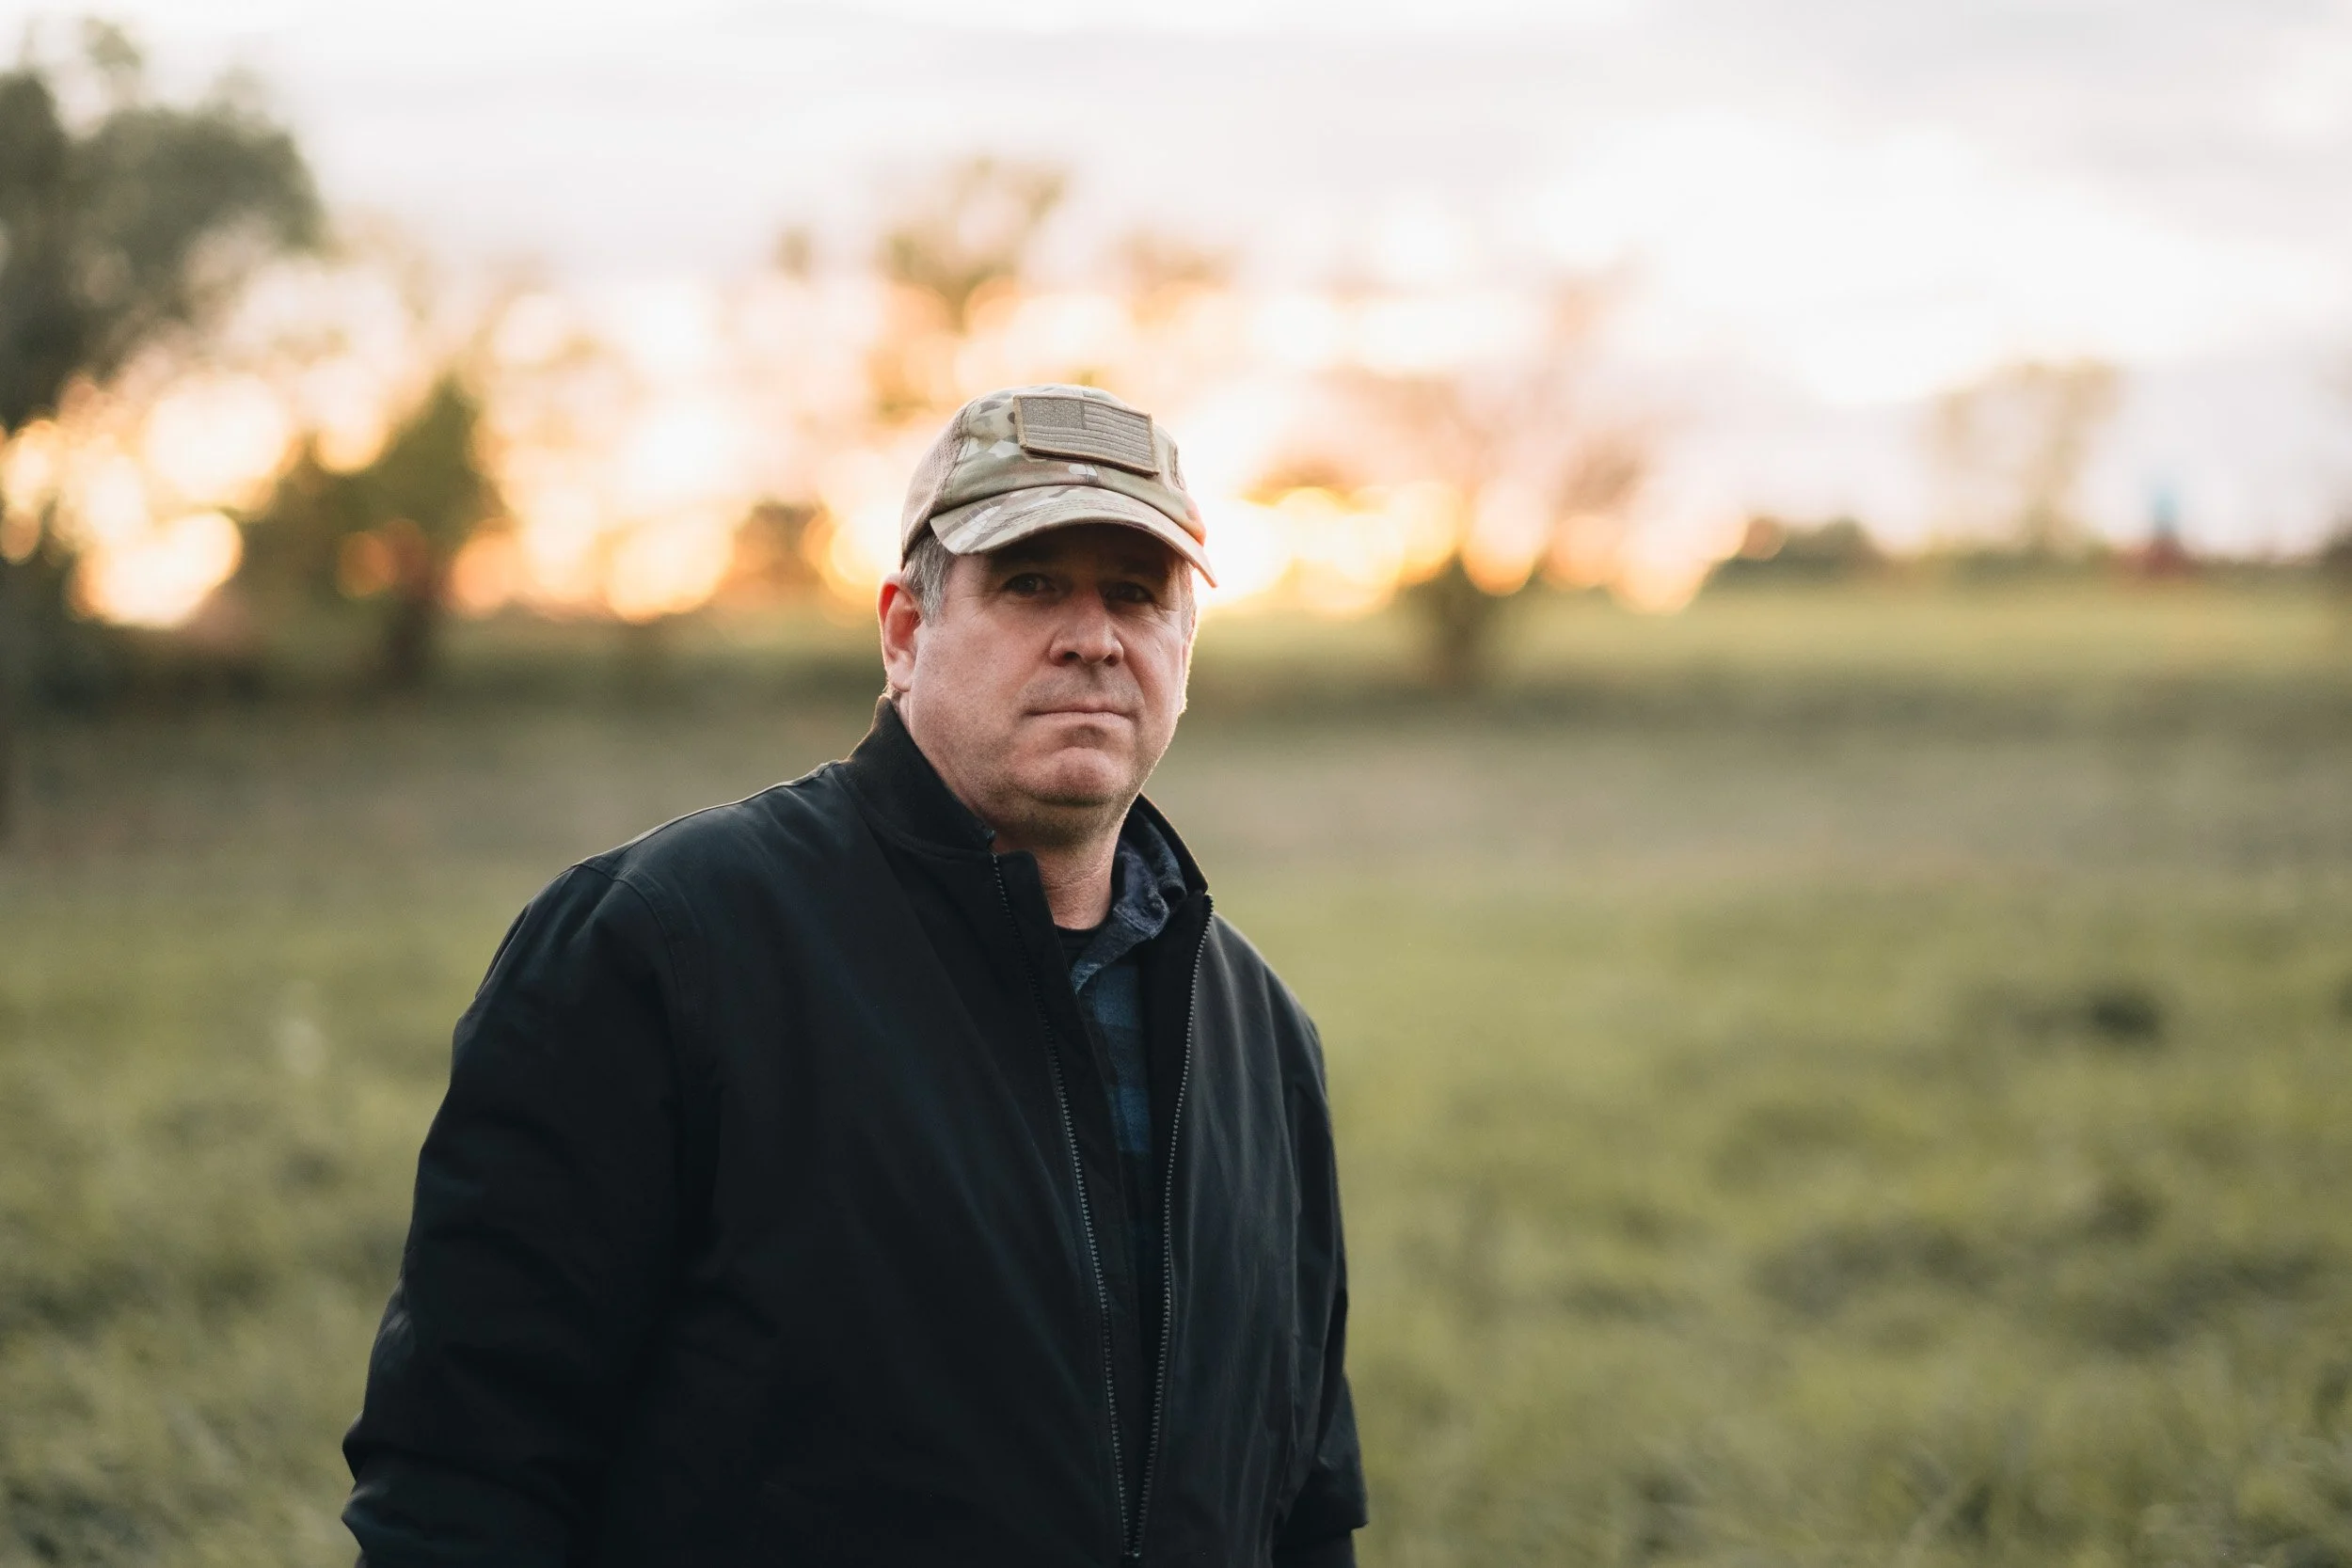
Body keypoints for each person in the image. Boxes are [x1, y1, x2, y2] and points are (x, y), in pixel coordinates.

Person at [342, 385, 1366, 1567]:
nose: (1093, 634)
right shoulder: (663, 946)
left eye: (1136, 593)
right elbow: (464, 1478)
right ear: (902, 631)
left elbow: (1305, 1507)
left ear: (1183, 648)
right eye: (1029, 580)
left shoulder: (1261, 1036)